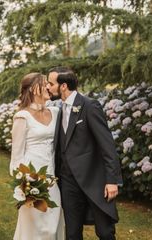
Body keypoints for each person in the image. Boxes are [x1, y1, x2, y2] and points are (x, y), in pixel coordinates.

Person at [47, 67, 123, 240]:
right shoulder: (59, 110)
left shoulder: (90, 106)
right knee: (72, 232)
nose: (48, 87)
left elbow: (107, 145)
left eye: (51, 84)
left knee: (104, 232)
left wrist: (112, 181)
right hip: (68, 182)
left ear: (63, 86)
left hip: (94, 181)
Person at [9, 72, 64, 240]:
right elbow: (16, 156)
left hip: (52, 178)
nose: (49, 86)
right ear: (34, 88)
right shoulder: (22, 116)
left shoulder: (55, 112)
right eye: (45, 83)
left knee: (53, 227)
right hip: (32, 179)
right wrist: (22, 185)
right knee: (36, 229)